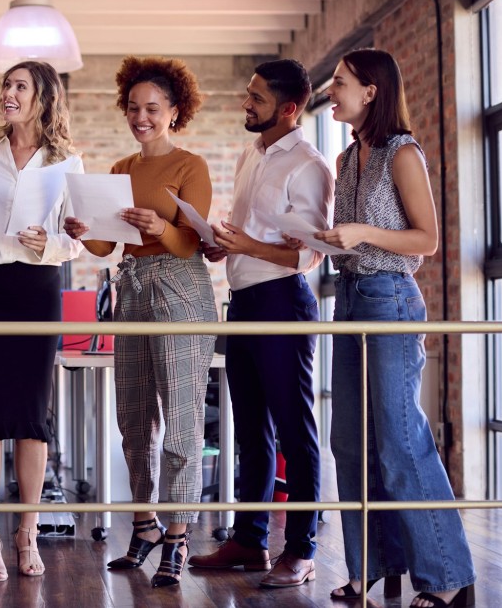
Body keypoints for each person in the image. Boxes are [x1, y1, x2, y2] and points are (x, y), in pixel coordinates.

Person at [316, 48, 476, 608]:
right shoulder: (345, 159)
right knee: (350, 442)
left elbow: (426, 241)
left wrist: (360, 231)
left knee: (401, 443)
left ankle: (447, 578)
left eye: (339, 83)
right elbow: (354, 238)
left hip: (390, 301)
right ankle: (372, 567)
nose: (331, 91)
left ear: (371, 91)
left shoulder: (401, 153)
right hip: (351, 299)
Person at [63, 55, 217, 588]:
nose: (141, 117)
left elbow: (193, 240)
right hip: (132, 290)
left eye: (152, 108)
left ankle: (178, 537)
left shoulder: (190, 166)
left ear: (175, 111)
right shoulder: (121, 169)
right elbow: (110, 244)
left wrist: (160, 224)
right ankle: (145, 524)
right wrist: (83, 232)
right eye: (133, 107)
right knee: (133, 419)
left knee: (180, 423)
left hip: (181, 290)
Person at [189, 59, 333, 590]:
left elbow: (311, 255)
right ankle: (250, 542)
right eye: (248, 94)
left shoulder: (310, 165)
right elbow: (255, 236)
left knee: (296, 428)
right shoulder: (253, 155)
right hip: (244, 300)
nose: (246, 104)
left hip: (283, 302)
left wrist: (245, 244)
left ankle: (301, 550)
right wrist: (219, 241)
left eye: (257, 98)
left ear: (289, 109)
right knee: (250, 429)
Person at [0, 60, 84, 581]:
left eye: (19, 86)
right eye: (6, 84)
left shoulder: (67, 162)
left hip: (36, 288)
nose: (8, 92)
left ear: (43, 98)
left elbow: (82, 238)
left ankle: (27, 535)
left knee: (32, 416)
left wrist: (50, 244)